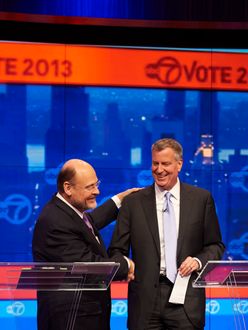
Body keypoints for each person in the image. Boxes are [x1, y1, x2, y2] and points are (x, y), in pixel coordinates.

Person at [109, 138, 225, 330]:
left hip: (186, 300)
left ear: (179, 164)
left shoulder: (201, 199)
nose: (159, 169)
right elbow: (116, 250)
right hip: (145, 302)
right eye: (155, 163)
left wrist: (197, 261)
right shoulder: (133, 203)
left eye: (166, 164)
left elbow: (215, 246)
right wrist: (126, 265)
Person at [32, 159, 138, 330]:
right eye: (89, 187)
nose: (97, 191)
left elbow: (87, 224)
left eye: (96, 184)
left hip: (82, 314)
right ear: (68, 188)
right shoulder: (55, 222)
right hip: (72, 318)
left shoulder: (65, 211)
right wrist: (126, 265)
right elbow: (86, 265)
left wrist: (118, 201)